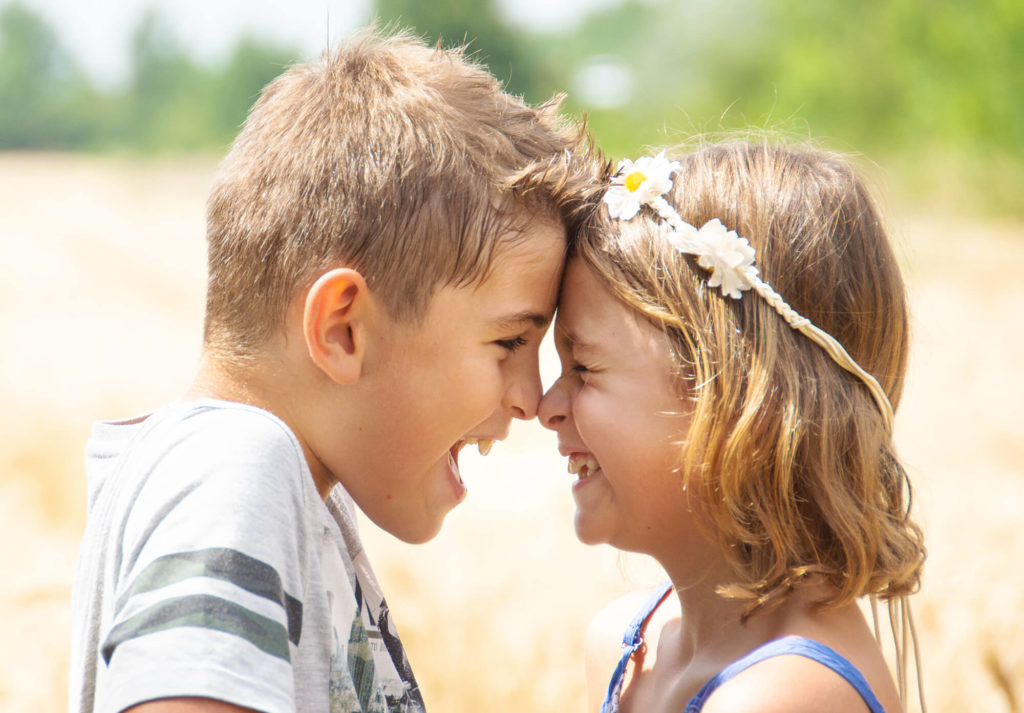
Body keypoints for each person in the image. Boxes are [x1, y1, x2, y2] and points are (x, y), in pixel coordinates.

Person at [69, 29, 598, 713]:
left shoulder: (285, 487)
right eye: (508, 342)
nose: (531, 397)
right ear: (343, 328)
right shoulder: (233, 470)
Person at [538, 141, 926, 713]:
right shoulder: (624, 649)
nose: (547, 405)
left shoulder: (783, 695)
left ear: (741, 398)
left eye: (585, 367)